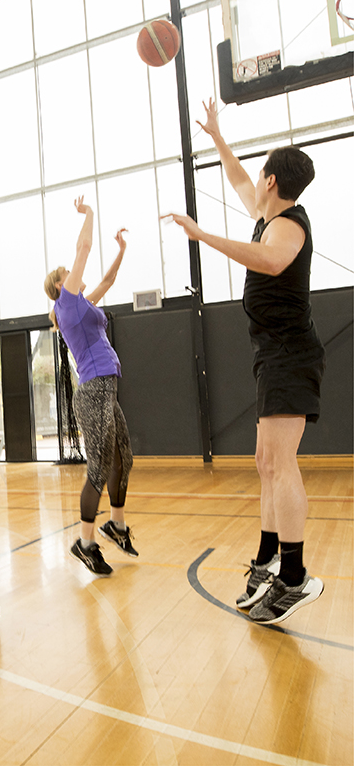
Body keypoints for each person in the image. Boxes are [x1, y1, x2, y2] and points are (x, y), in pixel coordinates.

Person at [163, 98, 325, 625]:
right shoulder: (268, 214)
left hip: (289, 355)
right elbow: (237, 180)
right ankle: (271, 556)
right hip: (273, 357)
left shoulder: (288, 227)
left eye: (259, 175)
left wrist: (203, 236)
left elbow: (272, 261)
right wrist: (216, 137)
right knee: (265, 463)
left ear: (272, 180)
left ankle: (296, 576)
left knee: (281, 463)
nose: (250, 182)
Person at [44, 195, 136, 575]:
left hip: (106, 389)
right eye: (68, 273)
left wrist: (122, 250)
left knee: (123, 458)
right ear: (61, 285)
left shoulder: (82, 303)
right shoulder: (66, 304)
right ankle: (85, 543)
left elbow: (108, 280)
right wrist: (90, 214)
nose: (75, 274)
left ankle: (115, 523)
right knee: (98, 468)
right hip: (94, 390)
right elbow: (83, 246)